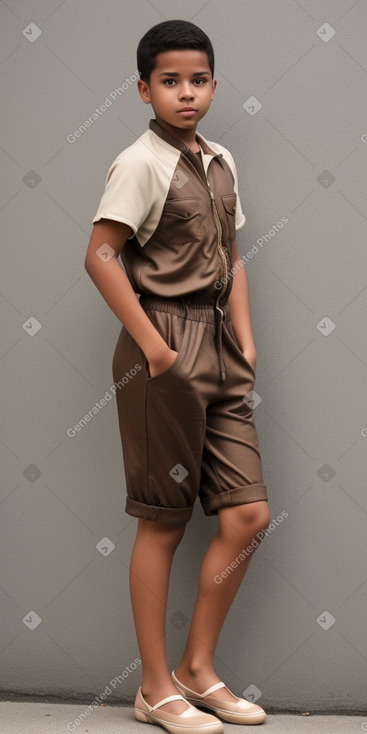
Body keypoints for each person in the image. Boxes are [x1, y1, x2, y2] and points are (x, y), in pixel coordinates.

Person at [85, 19, 271, 733]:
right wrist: (155, 351)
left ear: (213, 85)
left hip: (220, 345)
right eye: (169, 81)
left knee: (248, 514)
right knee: (162, 522)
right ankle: (154, 688)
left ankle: (197, 669)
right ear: (143, 89)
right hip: (160, 345)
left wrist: (246, 343)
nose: (185, 92)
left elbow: (233, 251)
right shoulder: (139, 162)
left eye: (197, 79)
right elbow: (101, 256)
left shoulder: (218, 158)